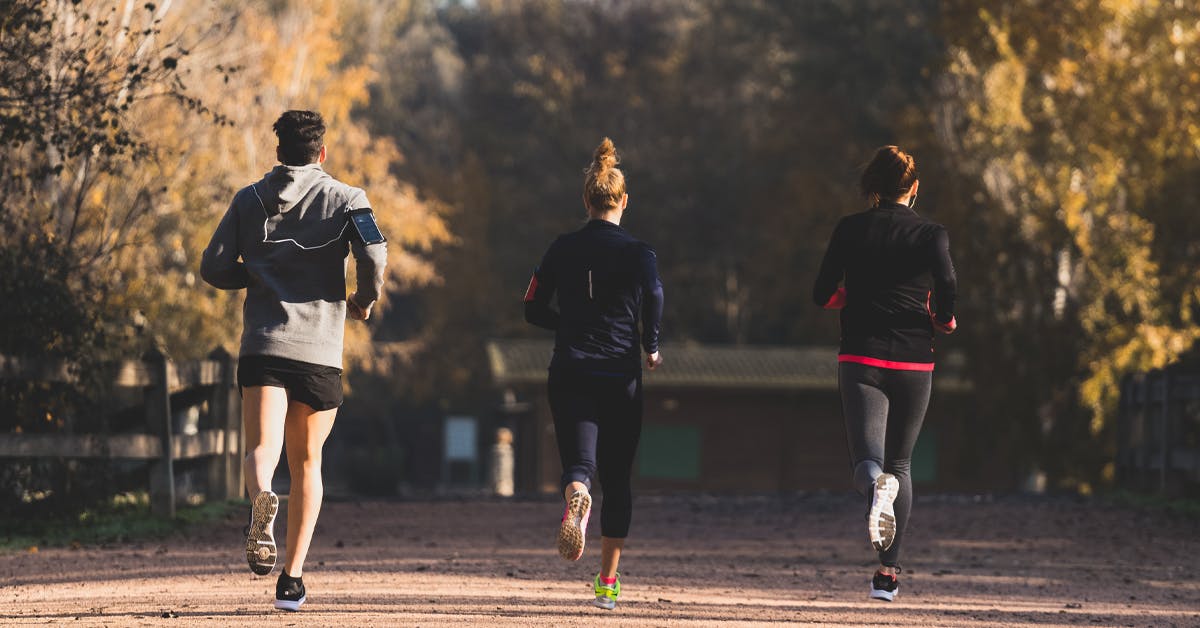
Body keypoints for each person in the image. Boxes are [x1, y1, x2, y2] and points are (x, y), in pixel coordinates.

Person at [200, 110, 387, 611]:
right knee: (308, 463)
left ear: (278, 151)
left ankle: (262, 499)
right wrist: (362, 300)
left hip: (263, 344)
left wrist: (259, 274)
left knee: (263, 450)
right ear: (321, 153)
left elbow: (213, 265)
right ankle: (293, 577)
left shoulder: (249, 199)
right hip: (319, 351)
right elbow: (374, 255)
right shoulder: (349, 199)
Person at [524, 137, 664, 610]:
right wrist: (651, 343)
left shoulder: (563, 247)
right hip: (619, 374)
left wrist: (568, 323)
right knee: (619, 479)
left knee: (579, 465)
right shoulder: (640, 252)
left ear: (586, 201)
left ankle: (576, 495)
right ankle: (606, 582)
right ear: (624, 201)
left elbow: (531, 306)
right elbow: (656, 295)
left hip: (571, 369)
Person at [812, 145, 957, 602]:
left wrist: (842, 300)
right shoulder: (932, 234)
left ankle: (876, 487)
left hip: (861, 359)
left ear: (872, 185)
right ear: (914, 188)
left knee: (867, 464)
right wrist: (944, 317)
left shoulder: (850, 229)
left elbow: (822, 292)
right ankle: (888, 574)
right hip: (915, 360)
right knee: (902, 463)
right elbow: (948, 284)